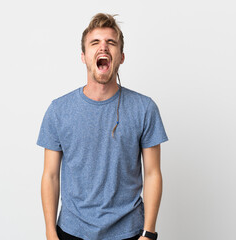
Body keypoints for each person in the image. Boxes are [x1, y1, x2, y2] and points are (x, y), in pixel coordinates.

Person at [37, 13, 168, 240]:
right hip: (71, 232)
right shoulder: (59, 110)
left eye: (111, 43)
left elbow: (152, 173)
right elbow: (50, 175)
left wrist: (149, 233)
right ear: (84, 56)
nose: (103, 48)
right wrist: (50, 232)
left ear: (122, 57)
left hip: (129, 232)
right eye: (95, 43)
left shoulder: (144, 108)